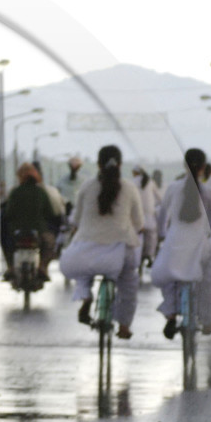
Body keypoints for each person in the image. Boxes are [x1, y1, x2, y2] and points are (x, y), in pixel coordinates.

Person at [60, 145, 145, 339]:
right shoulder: (130, 188)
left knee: (84, 268)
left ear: (98, 164)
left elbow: (76, 220)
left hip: (87, 247)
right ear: (121, 164)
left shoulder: (86, 186)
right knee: (128, 284)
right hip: (120, 251)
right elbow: (139, 223)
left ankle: (85, 295)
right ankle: (124, 325)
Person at [152, 148, 211, 338]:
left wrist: (161, 236)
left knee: (167, 275)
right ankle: (206, 320)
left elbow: (161, 218)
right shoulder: (210, 192)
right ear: (203, 168)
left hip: (174, 243)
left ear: (184, 166)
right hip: (201, 246)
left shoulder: (173, 188)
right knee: (207, 279)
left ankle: (170, 314)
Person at [0, 162, 60, 280]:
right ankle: (43, 267)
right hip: (39, 231)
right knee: (50, 245)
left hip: (16, 231)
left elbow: (8, 213)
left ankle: (10, 267)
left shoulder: (15, 192)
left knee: (4, 241)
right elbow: (50, 213)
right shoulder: (41, 192)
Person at [133, 166, 162, 266]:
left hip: (137, 219)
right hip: (150, 219)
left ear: (135, 172)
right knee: (151, 239)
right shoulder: (151, 182)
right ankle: (149, 256)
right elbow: (160, 199)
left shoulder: (133, 182)